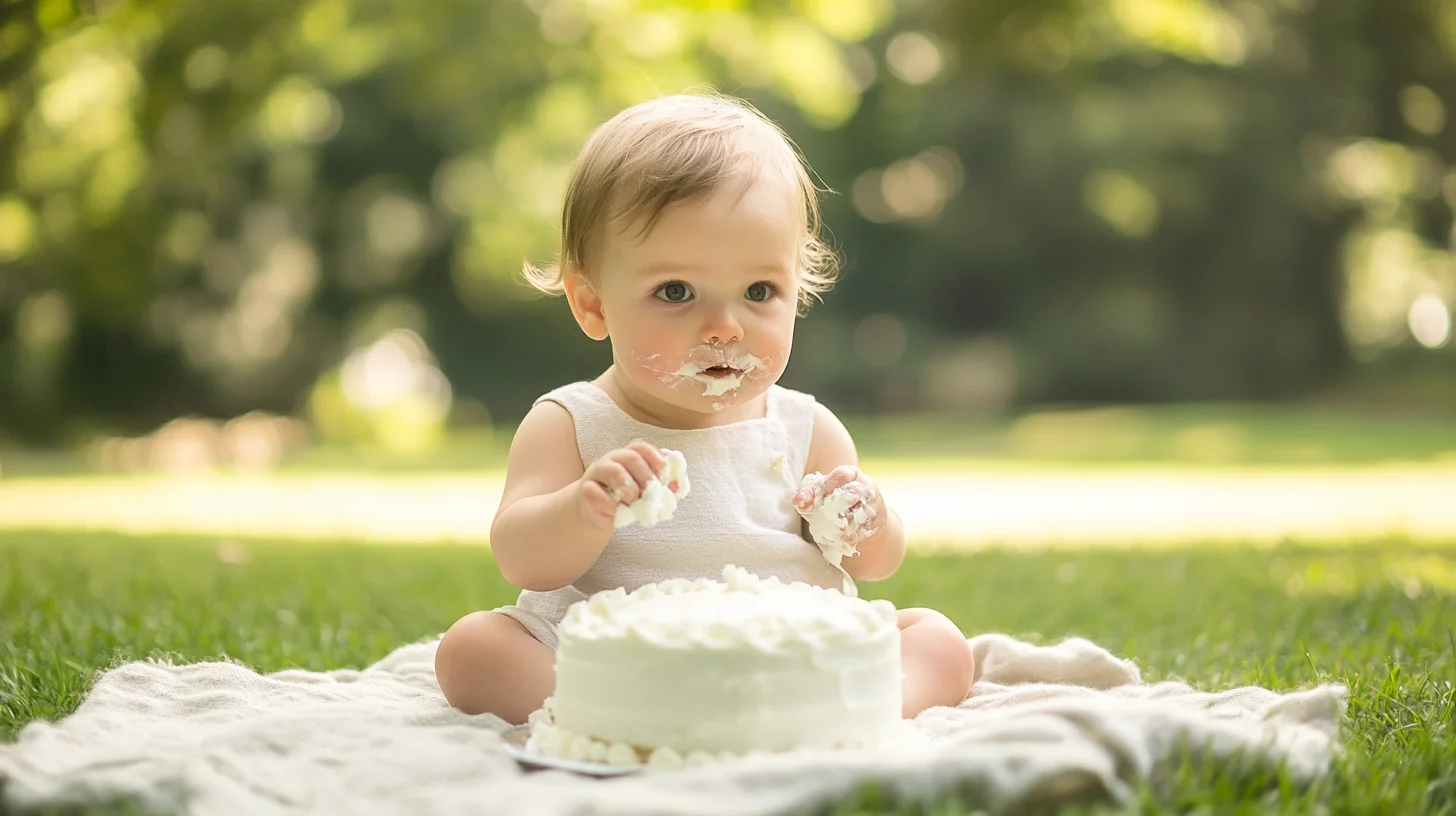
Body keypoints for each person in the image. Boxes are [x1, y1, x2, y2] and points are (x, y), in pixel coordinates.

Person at [434, 92, 975, 725]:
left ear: (797, 290)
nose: (723, 327)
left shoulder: (805, 428)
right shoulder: (571, 422)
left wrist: (867, 521)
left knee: (937, 640)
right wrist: (586, 506)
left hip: (787, 649)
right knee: (473, 650)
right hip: (627, 660)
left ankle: (850, 709)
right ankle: (644, 715)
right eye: (675, 292)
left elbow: (875, 564)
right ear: (593, 305)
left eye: (758, 291)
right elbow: (522, 559)